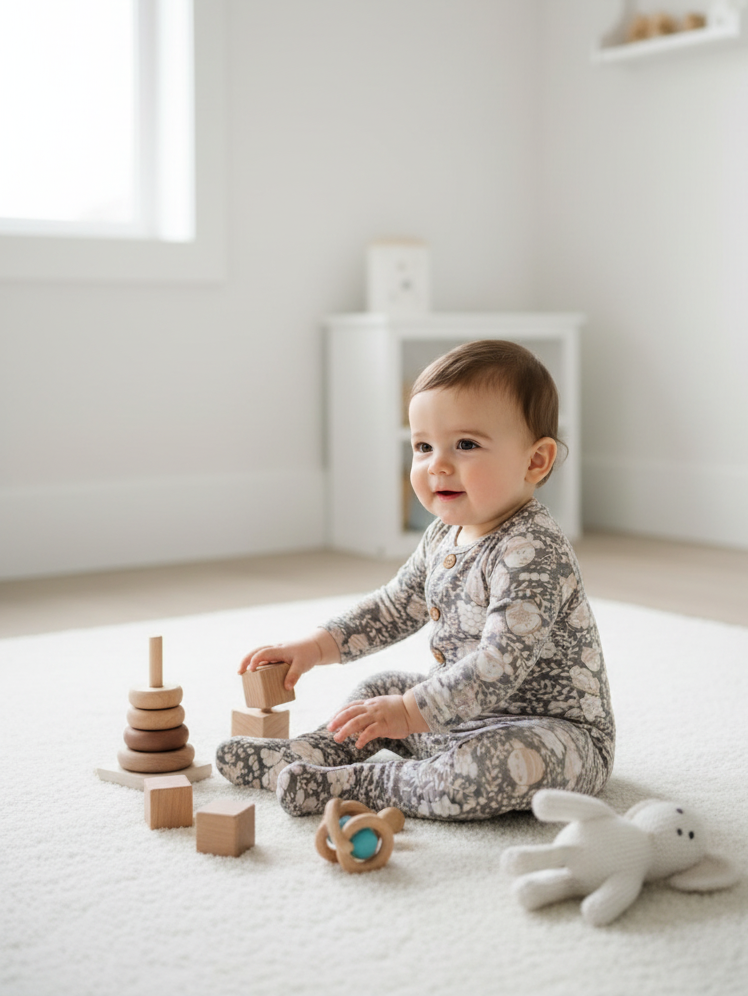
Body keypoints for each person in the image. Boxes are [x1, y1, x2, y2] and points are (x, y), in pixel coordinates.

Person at [216, 340, 614, 820]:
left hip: (553, 736)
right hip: (455, 717)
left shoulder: (533, 551)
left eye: (465, 445)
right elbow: (393, 606)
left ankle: (360, 785)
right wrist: (315, 647)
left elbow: (499, 664)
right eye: (423, 446)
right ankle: (308, 753)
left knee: (489, 770)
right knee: (378, 690)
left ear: (535, 461)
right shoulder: (444, 534)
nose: (437, 465)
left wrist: (408, 712)